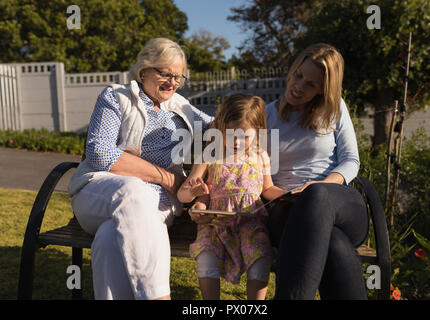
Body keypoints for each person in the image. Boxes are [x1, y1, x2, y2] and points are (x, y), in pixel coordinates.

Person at [68, 38, 213, 300]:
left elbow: (223, 129)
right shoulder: (117, 97)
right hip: (99, 192)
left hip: (157, 206)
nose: (172, 82)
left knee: (110, 237)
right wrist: (167, 177)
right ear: (144, 69)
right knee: (132, 189)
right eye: (165, 73)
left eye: (178, 77)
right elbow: (100, 153)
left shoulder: (182, 108)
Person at [265, 43, 369, 300]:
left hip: (340, 206)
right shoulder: (266, 116)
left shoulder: (335, 110)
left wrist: (320, 186)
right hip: (287, 213)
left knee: (318, 195)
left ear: (324, 88)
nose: (299, 86)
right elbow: (255, 169)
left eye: (311, 84)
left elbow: (351, 160)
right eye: (298, 76)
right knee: (334, 244)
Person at [177, 93, 287, 300]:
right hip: (214, 224)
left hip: (250, 224)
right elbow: (183, 195)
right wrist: (194, 194)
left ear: (258, 132)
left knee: (261, 259)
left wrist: (290, 195)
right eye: (229, 134)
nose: (236, 141)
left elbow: (267, 189)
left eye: (244, 136)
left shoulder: (260, 155)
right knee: (206, 257)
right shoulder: (210, 155)